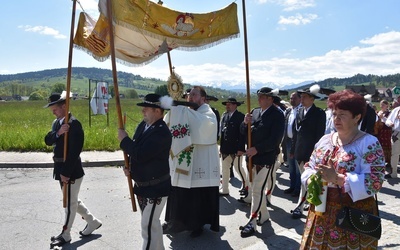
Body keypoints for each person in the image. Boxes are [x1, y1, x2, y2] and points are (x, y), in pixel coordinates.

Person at [300, 89, 385, 249]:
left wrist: (338, 179)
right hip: (320, 211)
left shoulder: (368, 143)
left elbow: (375, 181)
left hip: (351, 215)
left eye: (342, 115)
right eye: (334, 114)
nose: (336, 119)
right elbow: (309, 167)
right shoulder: (325, 140)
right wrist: (312, 178)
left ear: (357, 117)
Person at [44, 92, 102, 248]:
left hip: (71, 171)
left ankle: (66, 234)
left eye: (55, 108)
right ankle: (92, 222)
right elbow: (48, 140)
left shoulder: (75, 124)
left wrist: (66, 173)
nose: (53, 111)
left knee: (69, 203)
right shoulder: (57, 123)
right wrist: (58, 133)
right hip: (60, 168)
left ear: (64, 106)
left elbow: (75, 151)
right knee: (72, 200)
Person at [163, 86, 220, 237]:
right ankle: (173, 222)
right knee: (177, 192)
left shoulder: (208, 113)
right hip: (182, 162)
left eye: (194, 94)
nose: (190, 96)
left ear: (203, 99)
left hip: (200, 163)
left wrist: (181, 110)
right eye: (188, 94)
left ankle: (197, 225)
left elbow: (203, 126)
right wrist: (176, 111)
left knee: (196, 197)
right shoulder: (186, 112)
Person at [118, 93, 172, 250]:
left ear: (157, 111)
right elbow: (136, 151)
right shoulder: (143, 126)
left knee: (147, 228)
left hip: (156, 189)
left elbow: (141, 154)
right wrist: (131, 169)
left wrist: (124, 140)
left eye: (146, 109)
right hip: (143, 186)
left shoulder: (162, 132)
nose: (143, 112)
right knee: (153, 225)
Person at [238, 87, 284, 237]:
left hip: (265, 158)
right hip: (251, 157)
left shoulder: (277, 115)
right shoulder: (255, 112)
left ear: (270, 99)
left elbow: (275, 140)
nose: (259, 100)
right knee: (254, 188)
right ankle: (264, 215)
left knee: (257, 189)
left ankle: (252, 221)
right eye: (259, 97)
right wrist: (245, 123)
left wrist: (257, 149)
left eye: (262, 97)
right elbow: (244, 133)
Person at [290, 84, 326, 219]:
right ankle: (307, 202)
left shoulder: (319, 114)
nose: (302, 99)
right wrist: (293, 150)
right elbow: (295, 133)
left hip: (311, 153)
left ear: (312, 99)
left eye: (305, 97)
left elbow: (319, 136)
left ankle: (300, 206)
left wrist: (315, 155)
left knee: (307, 180)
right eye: (301, 97)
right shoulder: (299, 112)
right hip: (299, 151)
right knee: (304, 180)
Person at [219, 97, 247, 196]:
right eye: (226, 104)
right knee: (225, 169)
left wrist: (241, 149)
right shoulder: (225, 116)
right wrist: (221, 149)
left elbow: (242, 134)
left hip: (236, 148)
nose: (227, 106)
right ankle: (225, 189)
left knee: (238, 168)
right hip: (226, 148)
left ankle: (247, 185)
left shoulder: (240, 117)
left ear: (235, 105)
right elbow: (223, 133)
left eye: (229, 104)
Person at [283, 92, 301, 197]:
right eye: (290, 98)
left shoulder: (301, 111)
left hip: (298, 142)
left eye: (294, 98)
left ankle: (298, 188)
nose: (292, 100)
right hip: (288, 141)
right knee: (291, 166)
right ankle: (292, 186)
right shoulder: (289, 111)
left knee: (297, 166)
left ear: (300, 99)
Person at [385, 101, 400, 178]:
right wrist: (389, 123)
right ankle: (393, 173)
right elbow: (388, 120)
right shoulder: (396, 110)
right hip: (396, 134)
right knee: (394, 154)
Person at [376, 100, 392, 170]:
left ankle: (388, 161)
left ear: (387, 106)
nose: (381, 106)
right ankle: (381, 159)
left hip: (387, 131)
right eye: (381, 105)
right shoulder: (379, 112)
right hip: (380, 131)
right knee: (381, 145)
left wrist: (382, 117)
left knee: (387, 145)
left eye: (383, 105)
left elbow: (390, 122)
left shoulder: (389, 113)